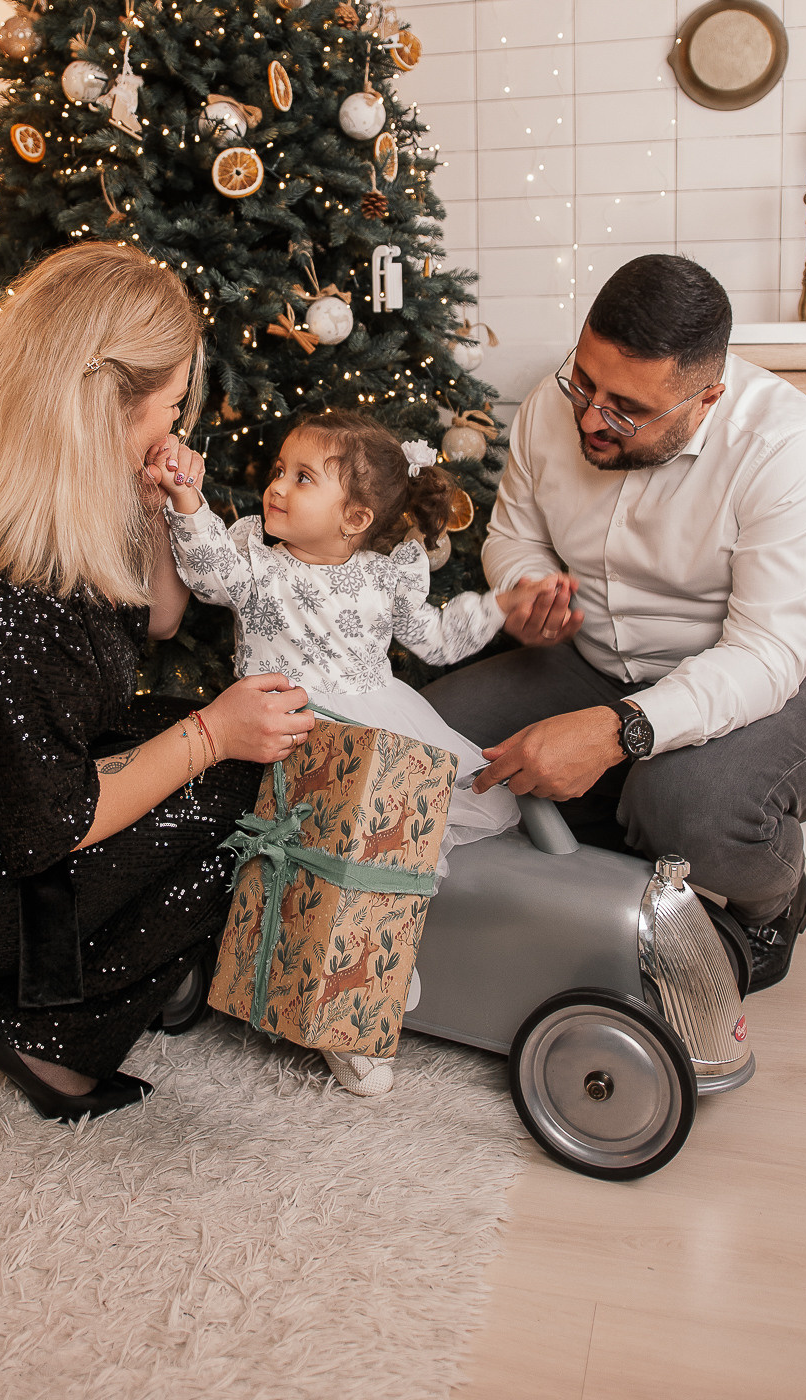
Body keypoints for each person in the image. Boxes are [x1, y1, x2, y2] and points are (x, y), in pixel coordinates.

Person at [0, 243, 315, 1123]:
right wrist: (212, 737)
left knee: (220, 746)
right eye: (166, 410)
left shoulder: (54, 485)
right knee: (230, 782)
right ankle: (41, 1040)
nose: (174, 433)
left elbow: (157, 620)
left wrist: (162, 509)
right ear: (98, 405)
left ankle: (92, 967)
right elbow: (60, 820)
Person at [422, 254, 806, 991]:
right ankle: (625, 852)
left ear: (706, 400)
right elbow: (511, 536)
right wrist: (531, 589)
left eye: (627, 408)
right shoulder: (553, 403)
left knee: (682, 805)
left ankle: (774, 897)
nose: (592, 419)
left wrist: (613, 733)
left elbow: (764, 656)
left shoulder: (786, 449)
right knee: (431, 739)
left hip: (794, 685)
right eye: (585, 383)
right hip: (594, 660)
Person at [153, 409, 569, 1095]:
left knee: (395, 842)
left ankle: (374, 971)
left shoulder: (386, 575)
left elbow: (435, 641)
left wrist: (500, 606)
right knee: (315, 860)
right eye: (279, 472)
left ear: (354, 518)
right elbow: (205, 572)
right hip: (287, 729)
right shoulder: (256, 564)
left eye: (303, 477)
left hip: (376, 723)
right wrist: (185, 499)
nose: (277, 487)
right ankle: (326, 1001)